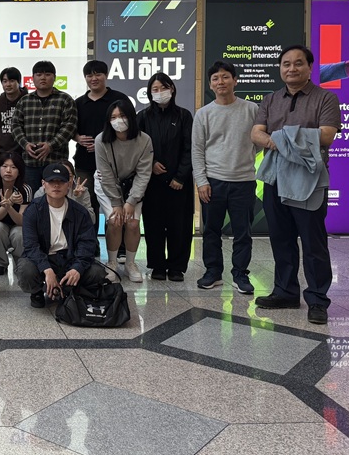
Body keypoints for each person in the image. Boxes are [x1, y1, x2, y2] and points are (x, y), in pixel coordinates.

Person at [251, 45, 341, 325]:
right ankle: (286, 292)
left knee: (313, 242)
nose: (292, 68)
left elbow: (327, 135)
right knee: (281, 238)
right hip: (275, 179)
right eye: (286, 64)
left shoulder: (325, 98)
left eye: (298, 63)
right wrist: (286, 140)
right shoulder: (270, 99)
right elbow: (256, 133)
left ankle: (317, 299)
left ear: (310, 67)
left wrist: (281, 139)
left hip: (309, 180)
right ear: (280, 68)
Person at [193, 61, 259, 294]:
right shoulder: (204, 114)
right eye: (215, 78)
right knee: (211, 231)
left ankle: (240, 274)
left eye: (225, 77)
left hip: (244, 181)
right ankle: (213, 272)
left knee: (243, 232)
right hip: (213, 182)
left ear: (235, 80)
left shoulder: (252, 109)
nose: (220, 82)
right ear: (211, 85)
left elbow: (260, 141)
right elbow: (197, 150)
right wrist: (201, 181)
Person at [17, 162, 102, 308]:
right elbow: (31, 246)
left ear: (69, 184)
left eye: (61, 181)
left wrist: (77, 268)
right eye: (51, 181)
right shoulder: (33, 211)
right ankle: (37, 291)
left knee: (97, 272)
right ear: (43, 184)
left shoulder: (80, 212)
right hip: (46, 257)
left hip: (70, 257)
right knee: (26, 269)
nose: (56, 185)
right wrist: (47, 270)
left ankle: (69, 288)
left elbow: (87, 244)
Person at [136, 72, 194, 282]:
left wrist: (180, 176)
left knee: (180, 225)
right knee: (154, 224)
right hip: (152, 181)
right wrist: (150, 164)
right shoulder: (143, 116)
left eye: (163, 88)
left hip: (179, 182)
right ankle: (158, 265)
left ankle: (177, 266)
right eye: (155, 89)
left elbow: (190, 148)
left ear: (172, 89)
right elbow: (136, 147)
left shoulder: (184, 116)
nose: (159, 92)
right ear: (149, 93)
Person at [94, 98, 153, 282]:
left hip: (132, 185)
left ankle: (130, 264)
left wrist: (131, 201)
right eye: (113, 117)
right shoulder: (101, 140)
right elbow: (105, 174)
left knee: (133, 223)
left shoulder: (144, 140)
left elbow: (144, 173)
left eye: (122, 115)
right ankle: (112, 262)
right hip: (107, 185)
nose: (118, 120)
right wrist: (116, 203)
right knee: (115, 221)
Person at [11, 60, 77, 192]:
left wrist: (50, 145)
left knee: (57, 196)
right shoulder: (24, 101)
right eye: (39, 74)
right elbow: (16, 125)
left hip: (56, 160)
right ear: (33, 78)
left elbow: (69, 126)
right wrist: (25, 144)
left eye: (47, 74)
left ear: (54, 77)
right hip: (30, 162)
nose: (43, 78)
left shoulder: (65, 99)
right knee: (30, 198)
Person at [73, 60, 127, 221]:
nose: (94, 78)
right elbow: (69, 128)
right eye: (89, 75)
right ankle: (90, 237)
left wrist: (102, 144)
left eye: (98, 74)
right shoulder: (78, 103)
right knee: (86, 205)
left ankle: (118, 238)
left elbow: (129, 127)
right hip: (85, 164)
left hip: (114, 164)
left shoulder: (119, 99)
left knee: (116, 206)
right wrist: (77, 138)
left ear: (106, 75)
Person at [0, 150, 32, 276]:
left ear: (19, 171)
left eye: (13, 167)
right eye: (4, 166)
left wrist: (9, 207)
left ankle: (20, 263)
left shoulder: (26, 189)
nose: (8, 170)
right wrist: (10, 202)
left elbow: (21, 221)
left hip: (17, 225)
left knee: (20, 233)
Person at [0, 66, 26, 176]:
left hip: (22, 153)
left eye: (12, 80)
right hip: (1, 152)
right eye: (5, 81)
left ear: (18, 82)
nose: (8, 84)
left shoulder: (27, 101)